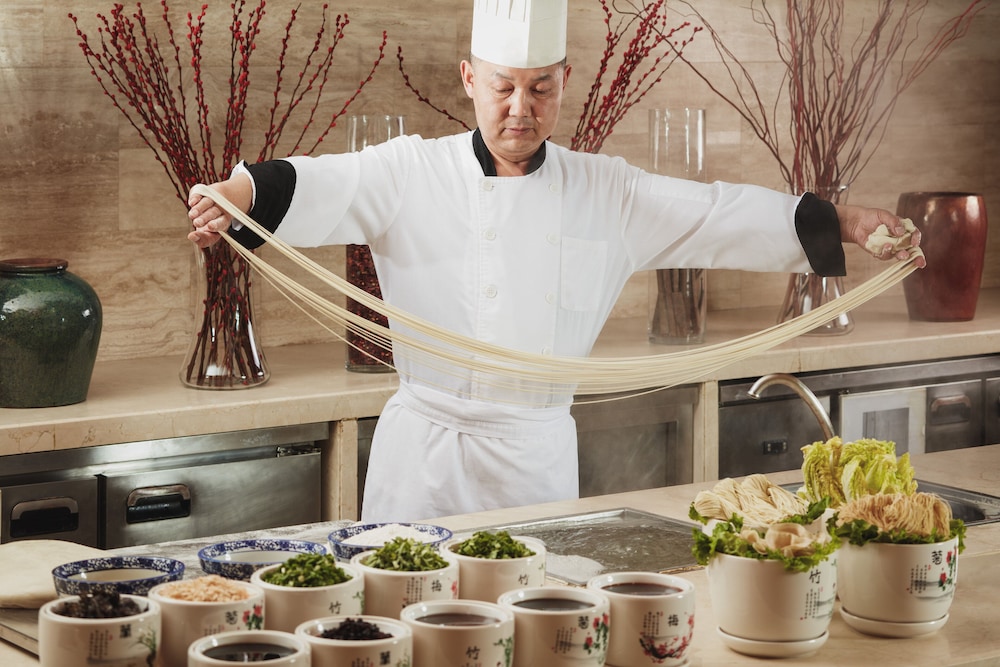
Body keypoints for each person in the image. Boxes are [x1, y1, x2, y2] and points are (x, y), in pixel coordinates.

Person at [187, 0, 923, 522]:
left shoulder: (607, 191)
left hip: (534, 466)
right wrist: (236, 193)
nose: (521, 107)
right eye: (503, 87)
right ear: (469, 79)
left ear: (565, 82)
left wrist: (849, 222)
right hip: (424, 465)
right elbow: (319, 182)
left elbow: (715, 214)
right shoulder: (410, 172)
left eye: (540, 88)